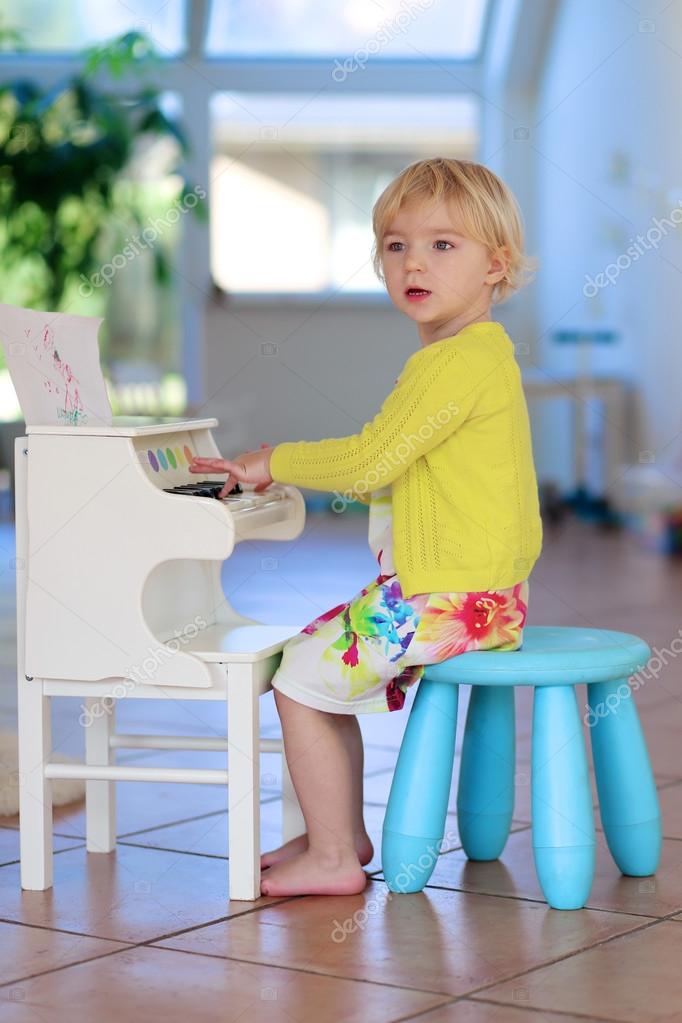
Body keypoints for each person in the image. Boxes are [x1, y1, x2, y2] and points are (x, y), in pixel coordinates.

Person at [190, 157, 543, 898]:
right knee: (313, 660)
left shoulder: (451, 363)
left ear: (496, 265)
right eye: (395, 244)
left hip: (447, 600)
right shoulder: (473, 354)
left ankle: (333, 856)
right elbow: (394, 464)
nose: (414, 261)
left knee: (297, 676)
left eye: (444, 245)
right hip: (477, 594)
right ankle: (339, 834)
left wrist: (269, 460)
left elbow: (370, 458)